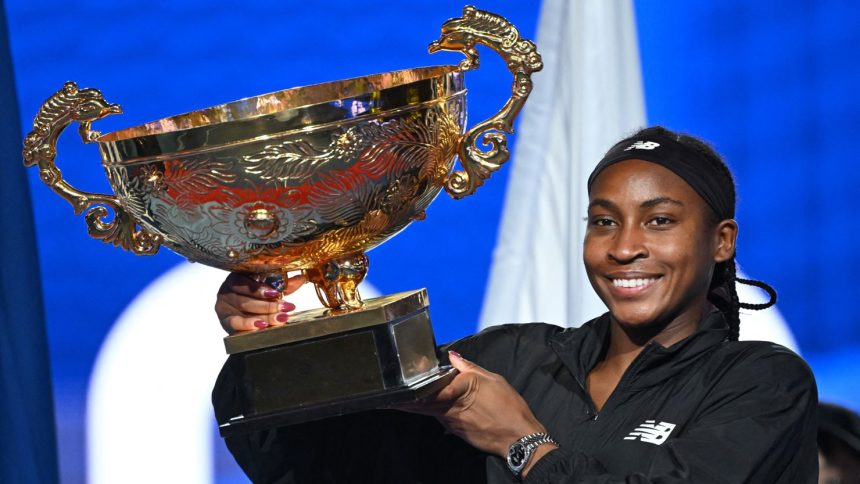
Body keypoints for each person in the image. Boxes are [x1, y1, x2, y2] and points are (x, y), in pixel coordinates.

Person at [212, 126, 818, 482]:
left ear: (721, 241)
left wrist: (522, 444)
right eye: (603, 222)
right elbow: (316, 465)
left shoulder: (762, 385)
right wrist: (265, 349)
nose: (625, 247)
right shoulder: (513, 357)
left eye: (659, 221)